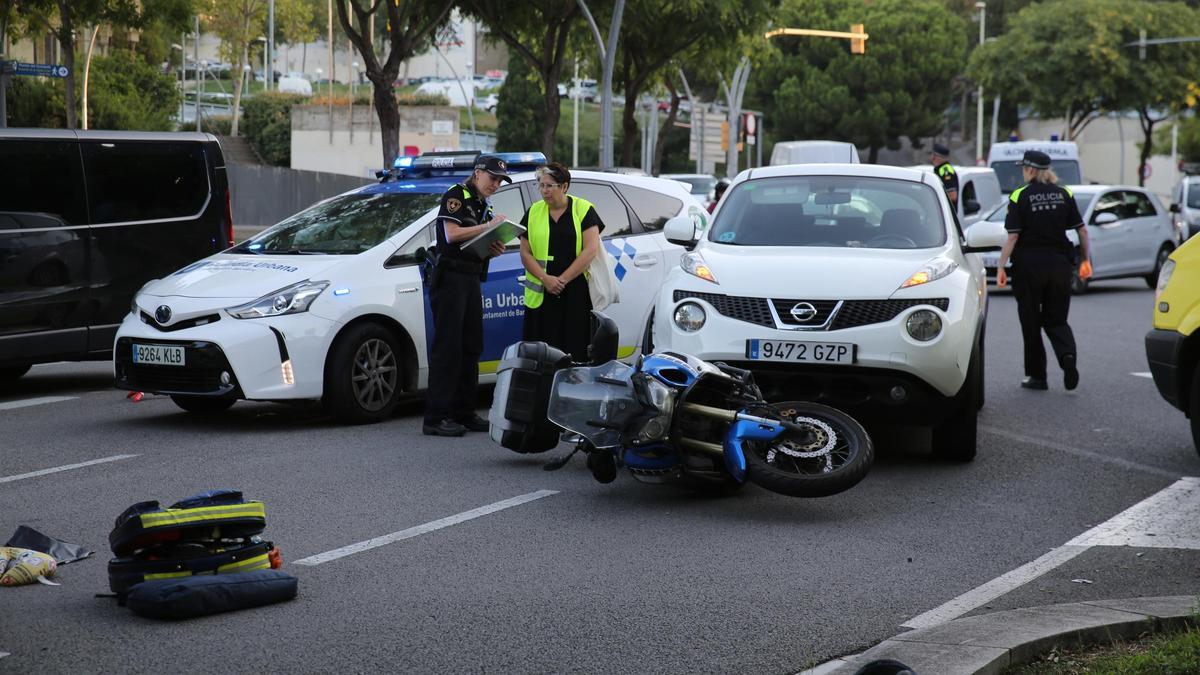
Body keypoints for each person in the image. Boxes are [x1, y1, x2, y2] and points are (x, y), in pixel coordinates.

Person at [423, 155, 510, 437]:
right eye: (492, 178)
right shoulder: (456, 195)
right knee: (448, 347)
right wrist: (486, 227)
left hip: (471, 277)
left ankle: (464, 411)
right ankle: (436, 417)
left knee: (471, 346)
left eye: (499, 181)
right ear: (477, 173)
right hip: (450, 279)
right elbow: (451, 234)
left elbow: (474, 243)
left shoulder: (484, 204)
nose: (495, 184)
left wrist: (492, 247)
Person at [996, 150, 1091, 392]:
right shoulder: (1064, 193)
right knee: (1057, 319)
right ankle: (1067, 358)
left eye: (1023, 168)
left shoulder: (1020, 195)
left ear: (1029, 170)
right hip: (1060, 266)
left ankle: (1038, 377)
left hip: (1029, 268)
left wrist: (1000, 266)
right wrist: (1085, 261)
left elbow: (1013, 236)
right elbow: (1082, 231)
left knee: (1031, 322)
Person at [518, 162, 605, 361]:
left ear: (564, 186)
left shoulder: (583, 209)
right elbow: (525, 253)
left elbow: (590, 249)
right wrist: (546, 279)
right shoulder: (533, 212)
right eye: (541, 185)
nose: (544, 191)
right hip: (542, 293)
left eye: (549, 186)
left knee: (575, 348)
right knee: (541, 352)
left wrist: (562, 280)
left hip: (574, 291)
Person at [930, 143, 958, 207]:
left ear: (935, 156)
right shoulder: (940, 169)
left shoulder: (945, 170)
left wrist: (933, 200)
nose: (930, 156)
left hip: (946, 214)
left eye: (931, 154)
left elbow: (952, 195)